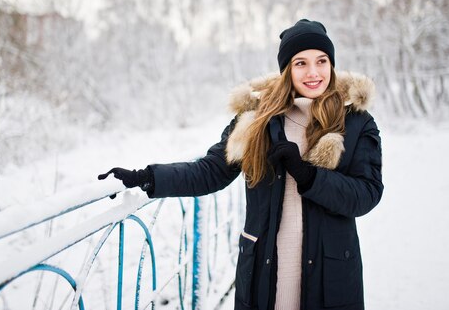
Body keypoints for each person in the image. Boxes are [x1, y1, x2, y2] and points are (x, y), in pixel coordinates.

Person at [98, 19, 383, 310]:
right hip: (264, 274)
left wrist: (309, 176)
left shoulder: (357, 123)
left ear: (331, 66)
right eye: (301, 63)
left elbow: (367, 194)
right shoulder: (257, 122)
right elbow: (210, 171)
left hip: (330, 277)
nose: (313, 72)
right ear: (287, 70)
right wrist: (146, 177)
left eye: (321, 61)